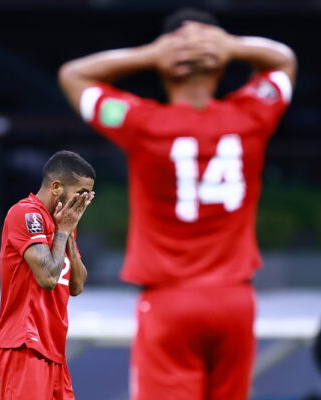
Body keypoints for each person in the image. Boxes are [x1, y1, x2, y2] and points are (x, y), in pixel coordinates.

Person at [58, 8, 297, 400]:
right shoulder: (252, 115)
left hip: (170, 304)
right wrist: (232, 46)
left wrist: (151, 53)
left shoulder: (141, 123)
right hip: (235, 302)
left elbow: (74, 75)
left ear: (167, 68)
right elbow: (284, 61)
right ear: (218, 67)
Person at [0, 150, 95, 400]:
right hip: (24, 347)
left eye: (89, 194)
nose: (85, 201)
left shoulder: (63, 224)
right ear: (57, 187)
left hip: (54, 351)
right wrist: (63, 231)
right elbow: (48, 278)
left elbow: (77, 285)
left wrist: (68, 232)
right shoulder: (26, 214)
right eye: (81, 193)